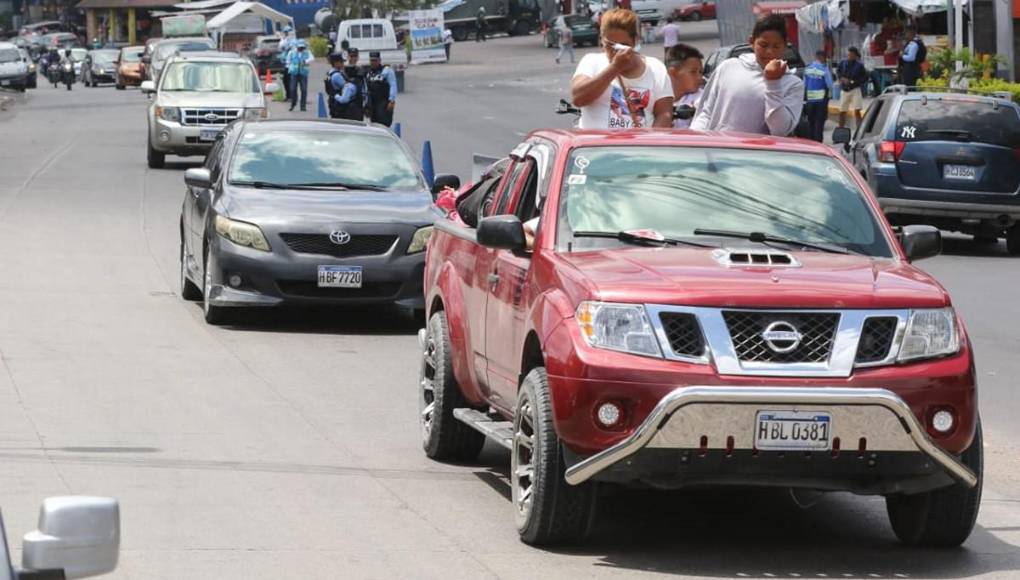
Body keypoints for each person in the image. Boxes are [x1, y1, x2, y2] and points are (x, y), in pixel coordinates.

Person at [690, 14, 804, 136]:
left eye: (776, 46)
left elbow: (780, 129)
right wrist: (696, 139)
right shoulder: (728, 67)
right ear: (752, 42)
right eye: (763, 45)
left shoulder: (793, 84)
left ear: (785, 46)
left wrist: (773, 84)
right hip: (720, 149)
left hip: (757, 154)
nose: (770, 52)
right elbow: (706, 112)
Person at [570, 8, 674, 129]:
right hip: (597, 146)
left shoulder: (655, 68)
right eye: (610, 45)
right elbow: (578, 99)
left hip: (639, 146)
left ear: (635, 41)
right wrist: (614, 68)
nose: (616, 52)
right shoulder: (592, 61)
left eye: (623, 46)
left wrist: (650, 143)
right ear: (602, 40)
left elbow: (664, 114)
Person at [665, 43, 703, 129]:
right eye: (693, 72)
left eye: (700, 72)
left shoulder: (702, 98)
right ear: (673, 72)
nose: (700, 77)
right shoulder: (658, 99)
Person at [803, 50, 834, 142]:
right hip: (821, 101)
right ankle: (818, 143)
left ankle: (811, 141)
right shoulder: (823, 69)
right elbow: (830, 84)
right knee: (819, 123)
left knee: (811, 122)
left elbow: (804, 84)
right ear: (822, 58)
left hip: (810, 100)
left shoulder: (808, 69)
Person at [325, 52, 365, 121]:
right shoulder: (336, 75)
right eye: (341, 62)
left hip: (336, 105)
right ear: (335, 63)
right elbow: (347, 89)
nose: (343, 64)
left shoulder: (331, 73)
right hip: (341, 107)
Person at [836, 46, 868, 129]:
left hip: (855, 89)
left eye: (851, 55)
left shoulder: (859, 66)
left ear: (855, 55)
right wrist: (842, 79)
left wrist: (853, 81)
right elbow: (838, 72)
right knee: (842, 111)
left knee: (857, 111)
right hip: (844, 89)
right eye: (848, 54)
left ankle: (859, 130)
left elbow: (864, 78)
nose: (849, 56)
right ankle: (840, 129)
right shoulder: (843, 63)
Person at [366, 51, 397, 126]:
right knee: (374, 125)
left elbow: (393, 85)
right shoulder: (368, 72)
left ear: (379, 60)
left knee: (384, 124)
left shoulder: (386, 71)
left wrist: (391, 100)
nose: (373, 62)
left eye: (375, 60)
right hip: (373, 104)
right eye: (371, 60)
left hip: (384, 102)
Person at [286, 40, 313, 112]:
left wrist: (306, 61)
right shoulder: (291, 52)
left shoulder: (307, 52)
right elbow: (288, 61)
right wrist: (290, 68)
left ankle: (303, 106)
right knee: (292, 89)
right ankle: (293, 103)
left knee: (304, 90)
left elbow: (312, 58)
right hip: (294, 73)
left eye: (302, 47)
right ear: (296, 46)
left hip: (303, 73)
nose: (301, 48)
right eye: (299, 47)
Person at [278, 27, 295, 101]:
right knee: (286, 80)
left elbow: (282, 46)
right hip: (286, 64)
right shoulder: (286, 40)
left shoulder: (291, 41)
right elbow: (280, 48)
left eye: (286, 32)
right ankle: (289, 95)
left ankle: (291, 96)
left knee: (289, 80)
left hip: (292, 64)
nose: (285, 34)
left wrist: (282, 39)